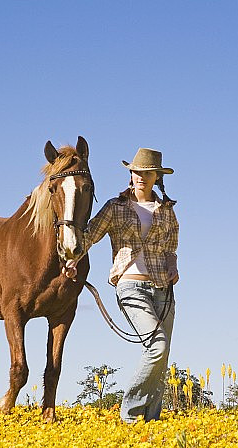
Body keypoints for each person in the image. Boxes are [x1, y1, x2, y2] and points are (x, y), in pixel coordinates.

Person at [64, 147, 179, 423]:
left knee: (160, 356)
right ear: (131, 174)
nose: (141, 177)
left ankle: (151, 421)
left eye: (147, 173)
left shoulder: (167, 210)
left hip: (163, 289)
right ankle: (130, 414)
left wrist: (173, 265)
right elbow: (89, 236)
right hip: (130, 287)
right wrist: (72, 260)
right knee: (157, 346)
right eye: (137, 172)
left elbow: (171, 246)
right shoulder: (115, 207)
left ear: (157, 177)